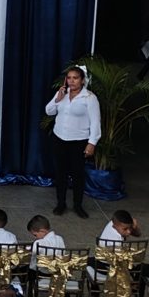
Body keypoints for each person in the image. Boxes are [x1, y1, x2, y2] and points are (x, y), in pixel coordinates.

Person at [46, 64, 100, 218]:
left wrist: (92, 143)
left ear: (82, 80)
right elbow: (49, 111)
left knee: (78, 174)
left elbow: (96, 122)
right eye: (69, 78)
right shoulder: (62, 93)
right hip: (59, 138)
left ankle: (78, 205)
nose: (71, 81)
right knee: (60, 173)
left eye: (75, 78)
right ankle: (61, 203)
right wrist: (58, 99)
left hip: (78, 141)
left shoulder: (89, 98)